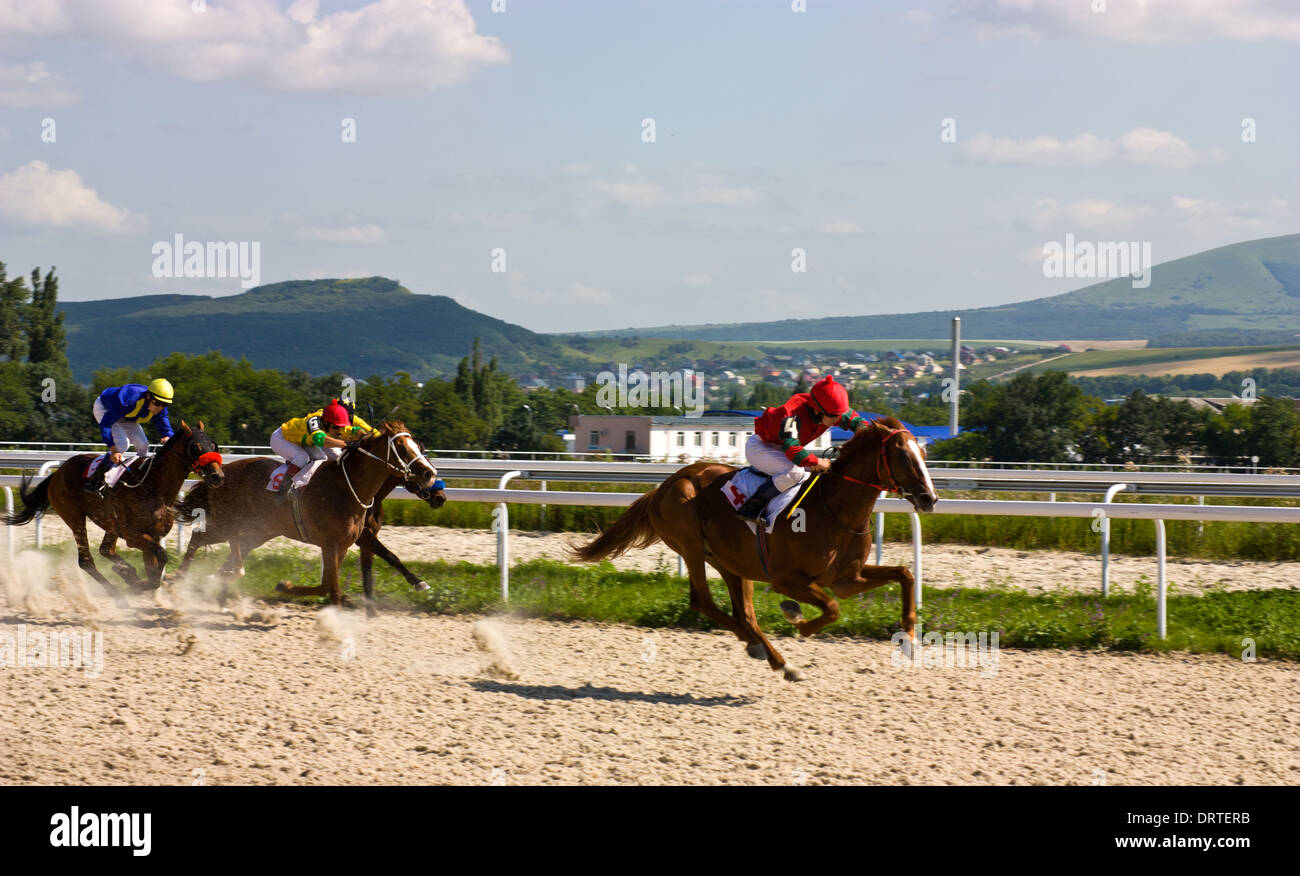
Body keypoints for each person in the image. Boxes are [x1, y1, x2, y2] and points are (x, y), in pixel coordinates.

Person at [736, 375, 868, 522]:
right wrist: (816, 462)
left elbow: (856, 421)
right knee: (795, 472)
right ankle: (750, 508)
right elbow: (791, 449)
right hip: (761, 447)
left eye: (839, 416)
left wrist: (864, 432)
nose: (837, 421)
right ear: (817, 411)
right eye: (833, 417)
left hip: (783, 448)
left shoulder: (829, 409)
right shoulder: (792, 415)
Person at [84, 378, 175, 496]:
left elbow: (166, 428)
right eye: (157, 403)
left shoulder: (160, 407)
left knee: (143, 445)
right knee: (122, 445)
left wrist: (167, 436)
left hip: (127, 416)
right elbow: (106, 424)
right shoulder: (129, 399)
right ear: (148, 396)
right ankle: (96, 481)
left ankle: (138, 478)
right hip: (105, 409)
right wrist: (113, 449)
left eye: (165, 404)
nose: (160, 407)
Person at [270, 399, 377, 494]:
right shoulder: (313, 421)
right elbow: (321, 440)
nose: (338, 431)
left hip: (302, 441)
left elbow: (344, 429)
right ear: (326, 422)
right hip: (281, 438)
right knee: (302, 457)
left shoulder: (331, 421)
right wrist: (346, 444)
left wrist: (357, 431)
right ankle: (286, 489)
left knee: (322, 457)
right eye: (336, 428)